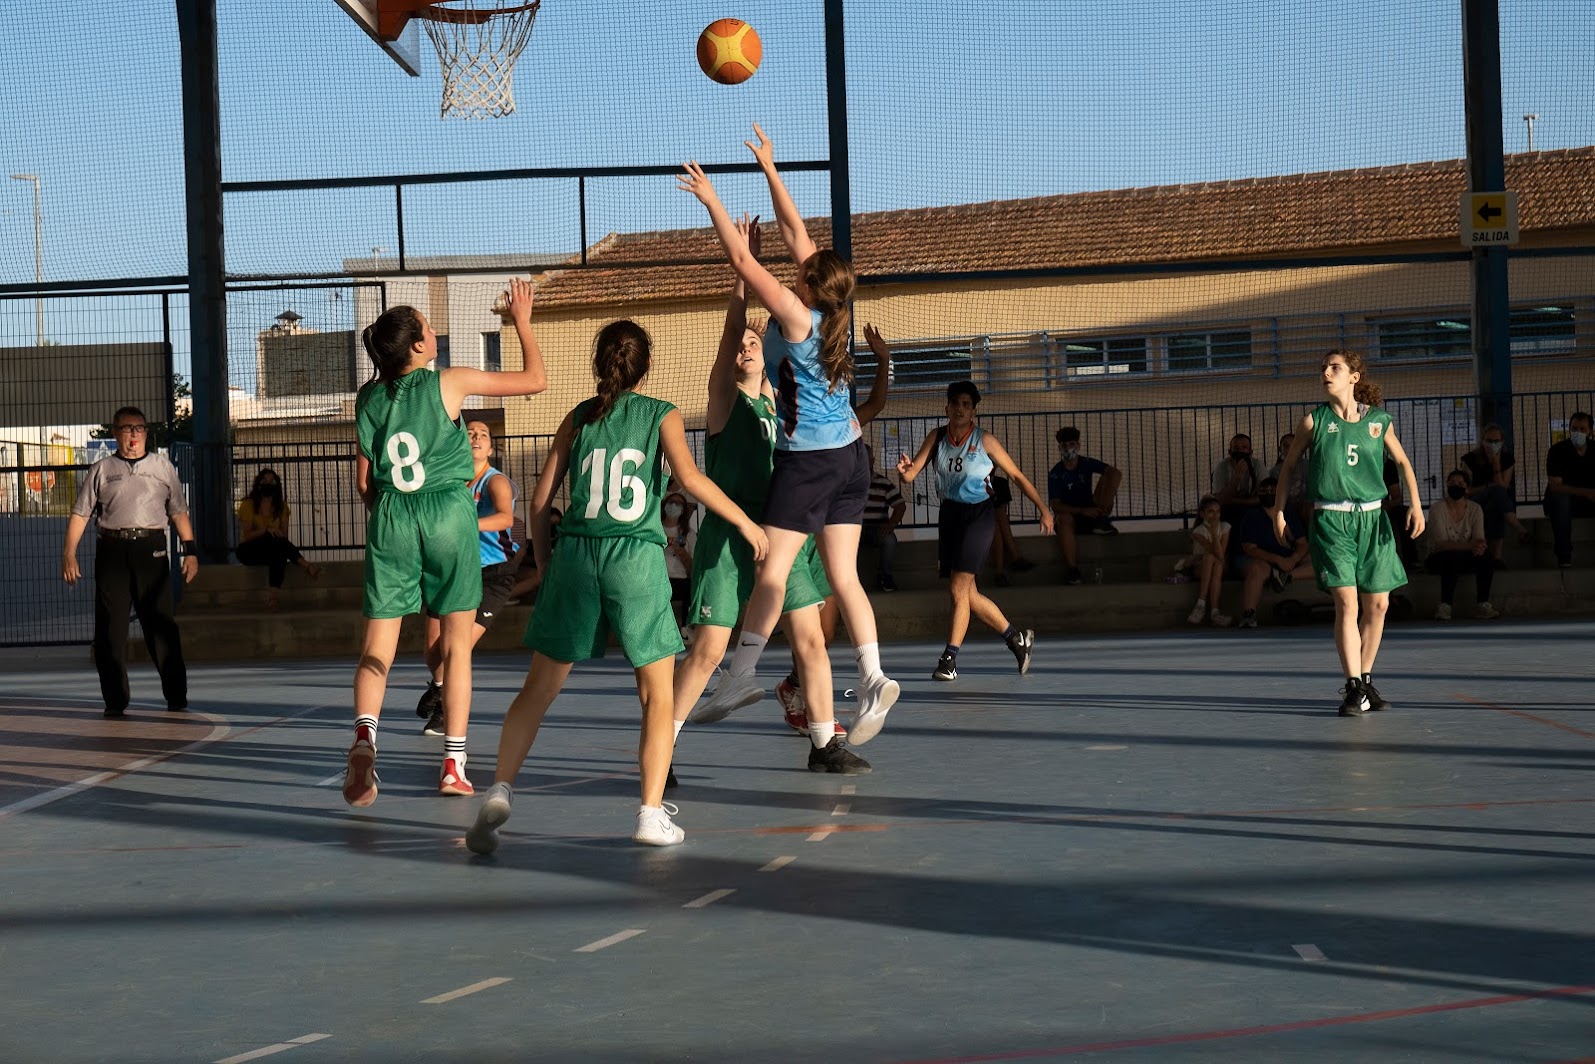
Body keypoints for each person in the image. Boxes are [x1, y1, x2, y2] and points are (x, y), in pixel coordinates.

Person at [465, 319, 769, 854]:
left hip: (578, 554)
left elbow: (538, 502)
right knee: (656, 695)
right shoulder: (660, 414)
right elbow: (692, 480)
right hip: (635, 556)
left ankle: (499, 787)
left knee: (538, 690)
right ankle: (650, 814)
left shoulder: (578, 417)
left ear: (598, 364)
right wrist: (744, 522)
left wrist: (548, 559)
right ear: (645, 365)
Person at [677, 124, 899, 747]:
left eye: (800, 269)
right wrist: (771, 170)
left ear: (806, 283)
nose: (795, 263)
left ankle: (743, 671)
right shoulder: (833, 310)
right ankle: (876, 675)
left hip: (812, 462)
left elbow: (746, 262)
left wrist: (713, 199)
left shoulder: (797, 315)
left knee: (772, 569)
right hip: (854, 455)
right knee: (845, 577)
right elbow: (797, 232)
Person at [671, 217, 868, 776]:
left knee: (810, 636)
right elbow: (735, 327)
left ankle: (825, 741)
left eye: (758, 342)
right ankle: (666, 740)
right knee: (710, 649)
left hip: (782, 526)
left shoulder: (780, 408)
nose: (748, 348)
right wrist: (739, 283)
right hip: (732, 539)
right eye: (742, 345)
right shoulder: (723, 400)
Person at [342, 281, 548, 808]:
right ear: (416, 346)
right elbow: (535, 381)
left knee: (377, 647)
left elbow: (364, 484)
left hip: (392, 514)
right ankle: (453, 765)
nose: (435, 334)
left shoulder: (367, 398)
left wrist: (390, 521)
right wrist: (522, 321)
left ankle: (365, 736)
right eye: (428, 328)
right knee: (457, 646)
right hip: (447, 515)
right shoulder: (448, 382)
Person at [1270, 349, 1424, 717]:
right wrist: (1278, 511)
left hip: (1373, 520)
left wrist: (1417, 505)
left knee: (1379, 605)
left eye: (1335, 367)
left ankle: (1366, 680)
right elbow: (1289, 467)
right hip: (1331, 520)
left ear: (1354, 377)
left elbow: (1402, 462)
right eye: (1324, 367)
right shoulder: (1314, 421)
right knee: (1347, 603)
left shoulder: (1380, 421)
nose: (1326, 372)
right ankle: (1353, 687)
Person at [897, 380, 1053, 680]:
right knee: (967, 592)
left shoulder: (985, 441)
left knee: (958, 588)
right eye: (955, 403)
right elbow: (912, 474)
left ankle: (949, 660)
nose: (960, 408)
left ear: (974, 412)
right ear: (947, 408)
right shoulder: (937, 437)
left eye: (966, 404)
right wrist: (905, 473)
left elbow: (1017, 476)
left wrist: (1043, 509)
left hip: (979, 515)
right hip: (950, 515)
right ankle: (1016, 639)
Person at [62, 406, 198, 718]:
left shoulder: (162, 468)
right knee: (111, 630)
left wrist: (190, 550)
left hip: (151, 548)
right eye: (127, 428)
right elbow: (81, 513)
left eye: (139, 428)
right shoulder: (101, 470)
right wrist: (68, 553)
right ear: (115, 433)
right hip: (112, 550)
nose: (133, 434)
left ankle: (176, 695)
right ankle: (115, 700)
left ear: (147, 433)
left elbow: (178, 511)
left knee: (160, 624)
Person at [413, 421, 522, 738]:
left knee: (455, 648)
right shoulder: (448, 482)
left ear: (490, 449)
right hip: (450, 571)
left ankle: (447, 712)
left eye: (483, 434)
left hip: (491, 574)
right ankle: (438, 687)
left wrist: (466, 522)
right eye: (470, 432)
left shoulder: (495, 481)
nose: (476, 436)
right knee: (432, 651)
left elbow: (505, 517)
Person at [235, 467, 321, 610]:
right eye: (264, 481)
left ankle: (273, 597)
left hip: (272, 549)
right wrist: (266, 530)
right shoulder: (248, 505)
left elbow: (283, 537)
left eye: (272, 482)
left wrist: (273, 533)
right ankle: (306, 564)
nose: (268, 484)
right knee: (272, 538)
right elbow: (248, 535)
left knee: (278, 552)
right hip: (249, 550)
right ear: (258, 484)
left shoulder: (282, 507)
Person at [1046, 426, 1122, 585]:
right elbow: (1055, 504)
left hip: (1092, 511)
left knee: (1109, 474)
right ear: (1060, 448)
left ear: (1078, 446)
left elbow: (1115, 473)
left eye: (1071, 444)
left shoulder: (1086, 463)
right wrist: (1082, 511)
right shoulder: (1056, 473)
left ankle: (1102, 520)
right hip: (1072, 516)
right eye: (1065, 445)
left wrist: (1100, 507)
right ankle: (1073, 570)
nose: (1068, 448)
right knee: (1063, 519)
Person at [1234, 477, 1313, 629]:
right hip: (1259, 559)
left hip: (1287, 559)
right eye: (1265, 491)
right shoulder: (1251, 515)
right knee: (1258, 569)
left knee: (1318, 561)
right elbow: (1250, 548)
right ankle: (1249, 614)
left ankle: (1286, 577)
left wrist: (1293, 559)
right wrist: (1277, 560)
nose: (1269, 493)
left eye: (1272, 491)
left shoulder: (1288, 513)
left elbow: (1302, 543)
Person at [1424, 469, 1498, 620]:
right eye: (1451, 483)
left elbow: (1479, 539)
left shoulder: (1475, 509)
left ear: (1467, 488)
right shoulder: (1437, 509)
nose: (1455, 486)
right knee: (1450, 558)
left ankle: (1483, 604)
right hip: (1439, 557)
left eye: (1459, 484)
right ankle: (1445, 605)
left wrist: (1478, 547)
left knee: (1487, 558)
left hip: (1466, 556)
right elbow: (1442, 544)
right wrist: (1471, 546)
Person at [1460, 424, 1531, 565]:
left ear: (1502, 442)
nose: (1493, 444)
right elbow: (1467, 491)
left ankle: (1496, 559)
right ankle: (1519, 529)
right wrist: (1488, 487)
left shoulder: (1507, 459)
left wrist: (1496, 465)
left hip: (1497, 501)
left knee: (1497, 504)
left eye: (1496, 441)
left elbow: (1503, 486)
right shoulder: (1470, 459)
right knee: (1496, 492)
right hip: (1476, 500)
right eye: (1489, 441)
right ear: (1482, 441)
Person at [1543, 411, 1595, 568]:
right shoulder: (1557, 451)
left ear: (1590, 432)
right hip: (1563, 502)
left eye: (1582, 429)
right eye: (1574, 429)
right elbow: (1556, 487)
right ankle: (1564, 556)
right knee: (1561, 500)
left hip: (1589, 501)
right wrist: (1586, 492)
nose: (1577, 433)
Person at [861, 444, 906, 592]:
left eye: (863, 458)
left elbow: (900, 505)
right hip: (854, 531)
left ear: (872, 461)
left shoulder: (883, 483)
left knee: (889, 539)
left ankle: (885, 577)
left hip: (876, 530)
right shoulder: (846, 483)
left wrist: (890, 525)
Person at [1183, 495, 1231, 627]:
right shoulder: (1198, 531)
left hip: (1218, 565)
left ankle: (1209, 609)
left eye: (1217, 511)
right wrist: (1213, 534)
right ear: (1202, 514)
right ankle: (1204, 606)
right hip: (1201, 567)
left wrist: (1214, 533)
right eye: (1210, 512)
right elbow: (1214, 553)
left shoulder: (1225, 527)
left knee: (1216, 563)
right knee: (1210, 558)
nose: (1215, 515)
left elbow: (1221, 555)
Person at [661, 489, 697, 638]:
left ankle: (686, 629)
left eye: (679, 504)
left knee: (691, 588)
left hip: (680, 580)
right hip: (658, 579)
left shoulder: (689, 534)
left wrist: (682, 553)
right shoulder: (655, 529)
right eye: (671, 502)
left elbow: (693, 569)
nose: (674, 506)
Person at [1211, 433, 1264, 530]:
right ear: (1230, 452)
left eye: (1244, 447)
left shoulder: (1258, 466)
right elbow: (1220, 500)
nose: (1240, 450)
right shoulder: (1222, 467)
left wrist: (1232, 500)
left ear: (1250, 452)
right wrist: (1236, 477)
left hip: (1253, 509)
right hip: (1228, 511)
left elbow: (1262, 498)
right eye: (1236, 448)